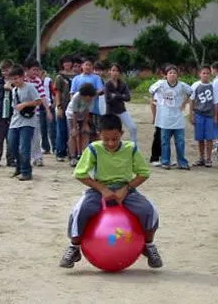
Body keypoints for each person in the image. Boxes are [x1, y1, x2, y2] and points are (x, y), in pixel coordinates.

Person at [59, 114, 163, 269]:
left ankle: (148, 245)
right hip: (99, 190)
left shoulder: (131, 148)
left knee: (149, 210)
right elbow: (80, 174)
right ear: (99, 135)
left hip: (126, 189)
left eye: (115, 139)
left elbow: (143, 173)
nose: (111, 143)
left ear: (121, 134)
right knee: (80, 210)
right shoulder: (94, 149)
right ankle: (74, 247)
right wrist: (102, 189)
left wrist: (126, 189)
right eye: (106, 139)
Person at [149, 65, 192, 170]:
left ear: (177, 75)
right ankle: (165, 161)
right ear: (166, 75)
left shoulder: (182, 86)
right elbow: (151, 91)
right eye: (170, 73)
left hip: (178, 118)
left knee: (180, 142)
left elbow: (190, 92)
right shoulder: (160, 84)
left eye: (174, 73)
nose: (172, 75)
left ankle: (182, 162)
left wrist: (184, 103)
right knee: (165, 142)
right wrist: (154, 101)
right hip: (164, 119)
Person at [8, 64, 42, 181]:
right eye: (12, 79)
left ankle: (26, 171)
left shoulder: (30, 87)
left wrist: (25, 104)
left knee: (24, 148)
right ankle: (19, 167)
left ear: (23, 77)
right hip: (15, 120)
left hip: (28, 121)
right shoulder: (14, 90)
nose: (14, 81)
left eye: (16, 78)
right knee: (12, 145)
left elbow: (38, 101)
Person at [189, 65, 218, 167]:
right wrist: (191, 114)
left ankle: (209, 159)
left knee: (209, 138)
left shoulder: (213, 86)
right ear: (200, 74)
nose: (205, 75)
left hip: (209, 115)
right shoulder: (195, 85)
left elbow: (216, 102)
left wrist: (215, 116)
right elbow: (192, 100)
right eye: (203, 73)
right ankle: (201, 158)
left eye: (207, 73)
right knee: (200, 138)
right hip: (199, 114)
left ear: (210, 75)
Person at [24, 59, 51, 167]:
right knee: (24, 136)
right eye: (34, 70)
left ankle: (37, 157)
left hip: (35, 112)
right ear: (27, 70)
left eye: (37, 70)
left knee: (36, 136)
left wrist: (48, 110)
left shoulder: (38, 81)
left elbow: (42, 96)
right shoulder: (22, 80)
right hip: (22, 112)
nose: (36, 73)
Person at [70, 58, 105, 141]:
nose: (88, 67)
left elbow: (100, 89)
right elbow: (72, 93)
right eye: (86, 64)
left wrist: (89, 96)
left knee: (95, 130)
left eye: (90, 65)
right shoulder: (76, 78)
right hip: (78, 110)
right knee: (80, 131)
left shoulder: (96, 78)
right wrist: (73, 104)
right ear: (82, 66)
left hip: (93, 109)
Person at [105, 63, 138, 145]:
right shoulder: (107, 84)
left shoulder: (123, 84)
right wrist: (121, 96)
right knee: (114, 132)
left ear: (119, 73)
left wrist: (116, 95)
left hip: (122, 110)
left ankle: (134, 147)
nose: (115, 72)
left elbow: (128, 98)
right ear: (109, 72)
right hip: (111, 111)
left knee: (133, 127)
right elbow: (108, 99)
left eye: (117, 71)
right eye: (113, 70)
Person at [65, 83, 97, 167]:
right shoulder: (76, 97)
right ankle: (73, 157)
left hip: (83, 115)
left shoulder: (91, 98)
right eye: (88, 97)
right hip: (72, 116)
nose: (89, 99)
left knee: (85, 133)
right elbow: (74, 113)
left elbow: (87, 111)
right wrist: (75, 128)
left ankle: (84, 155)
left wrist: (84, 125)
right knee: (73, 135)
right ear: (83, 95)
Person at [54, 55, 74, 162]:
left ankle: (71, 152)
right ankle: (60, 152)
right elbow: (57, 92)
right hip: (63, 105)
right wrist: (58, 106)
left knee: (71, 130)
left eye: (69, 62)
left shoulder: (76, 76)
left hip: (74, 107)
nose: (67, 64)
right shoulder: (59, 77)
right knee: (61, 130)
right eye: (65, 62)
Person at [40, 69, 57, 155]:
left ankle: (54, 147)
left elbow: (54, 92)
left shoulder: (48, 80)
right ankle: (45, 146)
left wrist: (54, 103)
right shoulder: (34, 81)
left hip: (49, 105)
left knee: (52, 128)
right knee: (42, 128)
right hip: (39, 106)